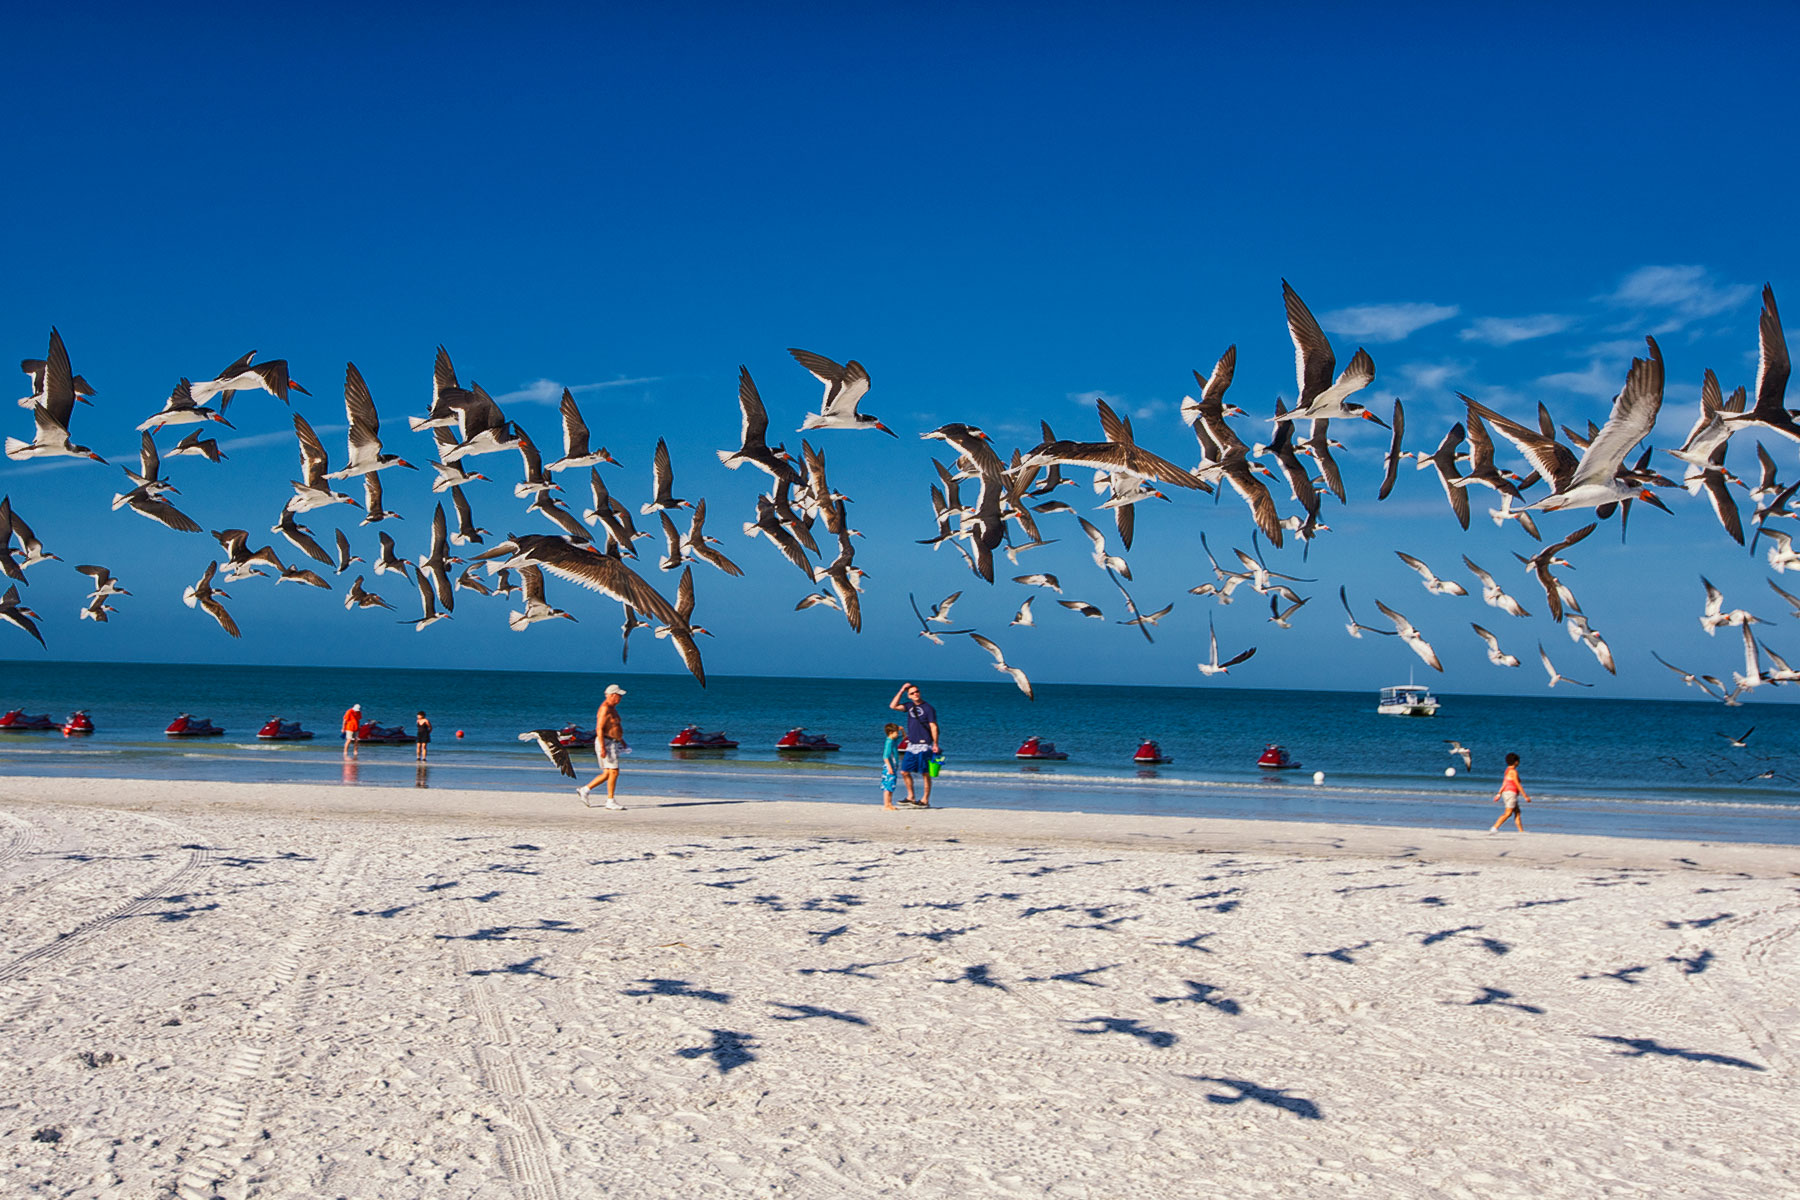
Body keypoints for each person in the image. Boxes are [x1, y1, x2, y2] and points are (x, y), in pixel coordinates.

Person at [888, 682, 940, 807]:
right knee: (904, 771)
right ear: (909, 696)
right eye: (912, 693)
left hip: (924, 744)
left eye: (917, 691)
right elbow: (893, 706)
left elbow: (933, 726)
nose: (915, 694)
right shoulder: (909, 706)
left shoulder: (928, 708)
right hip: (911, 745)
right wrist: (901, 690)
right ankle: (911, 796)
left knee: (925, 773)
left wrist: (935, 744)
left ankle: (925, 800)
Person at [577, 684, 628, 810]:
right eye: (619, 695)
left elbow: (613, 727)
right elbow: (599, 728)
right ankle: (610, 800)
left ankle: (585, 789)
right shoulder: (605, 708)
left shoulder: (613, 708)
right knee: (614, 771)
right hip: (606, 743)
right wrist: (603, 748)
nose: (620, 698)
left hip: (613, 742)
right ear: (612, 695)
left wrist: (622, 741)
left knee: (607, 773)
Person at [1488, 752, 1529, 833]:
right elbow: (1517, 784)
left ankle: (1521, 831)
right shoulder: (1513, 771)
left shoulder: (1507, 770)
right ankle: (1494, 827)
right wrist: (1525, 796)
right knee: (1508, 813)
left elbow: (1504, 783)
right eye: (1518, 761)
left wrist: (1499, 793)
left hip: (1507, 793)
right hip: (1511, 793)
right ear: (1516, 762)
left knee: (1517, 812)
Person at [880, 722, 902, 810]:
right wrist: (889, 767)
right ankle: (886, 804)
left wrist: (902, 730)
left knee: (892, 785)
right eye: (896, 732)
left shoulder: (894, 740)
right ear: (890, 733)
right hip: (889, 767)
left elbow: (904, 738)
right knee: (888, 785)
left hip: (893, 766)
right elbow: (885, 756)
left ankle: (889, 803)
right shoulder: (889, 742)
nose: (897, 734)